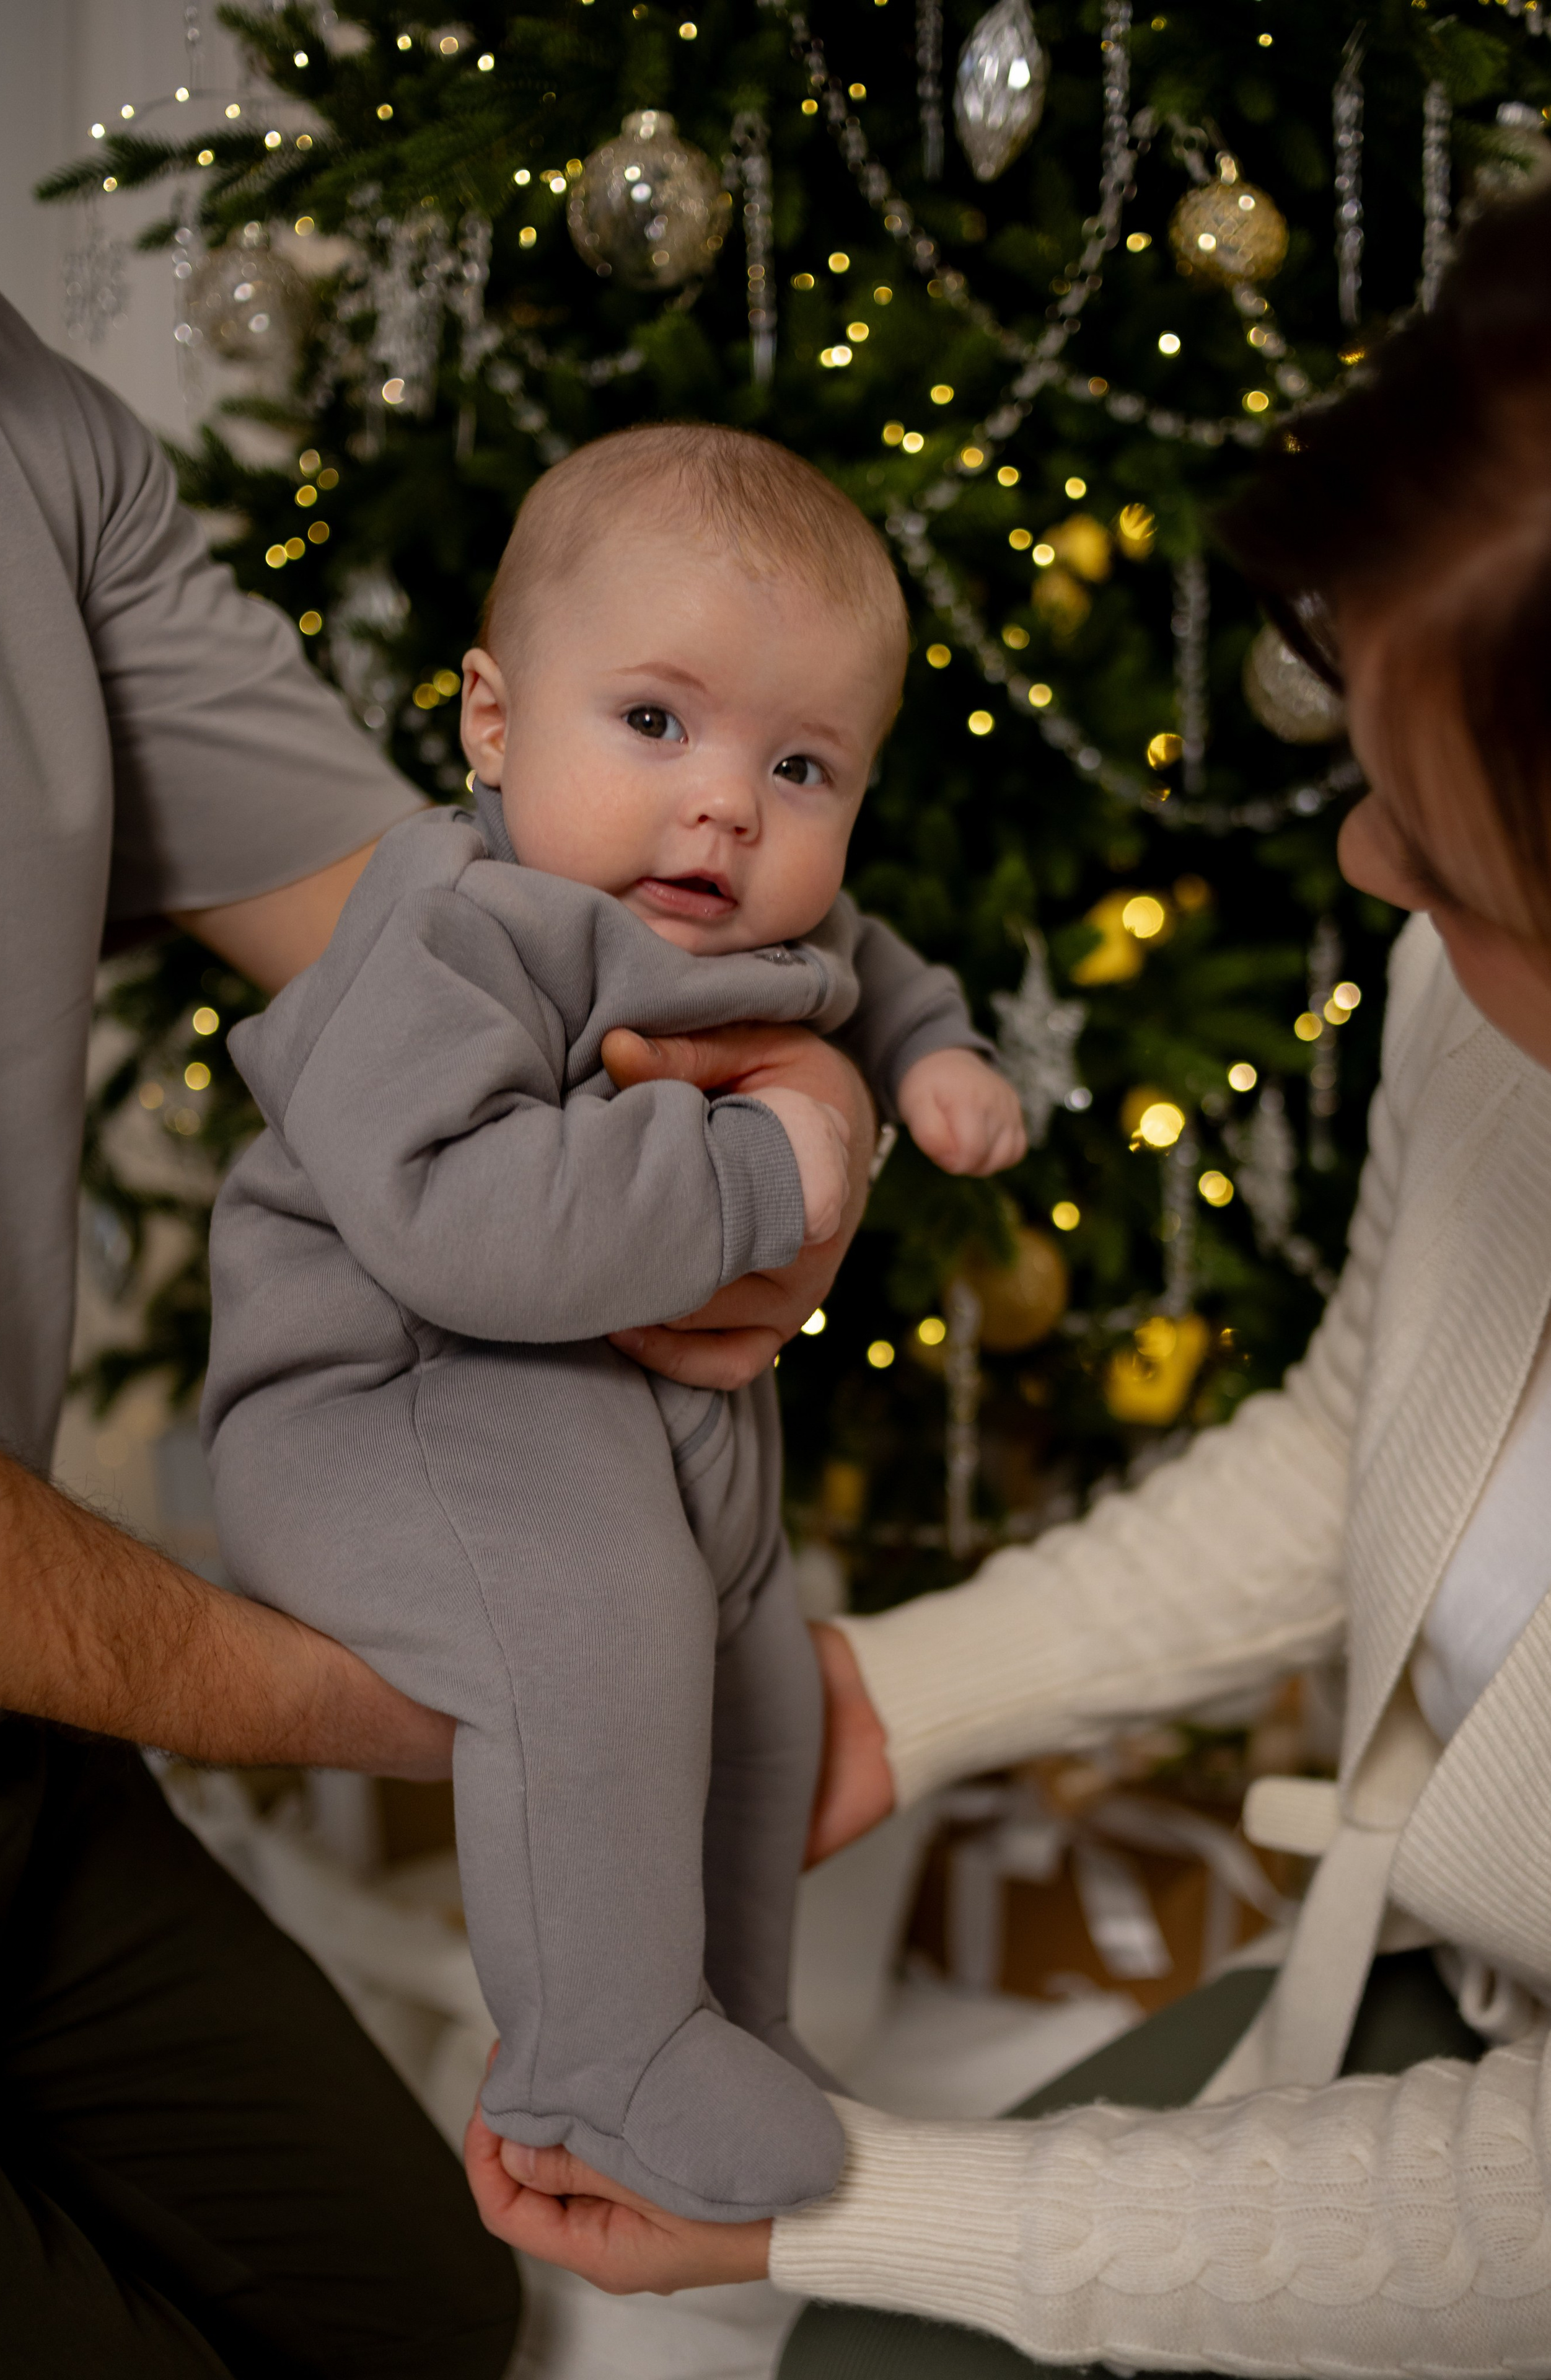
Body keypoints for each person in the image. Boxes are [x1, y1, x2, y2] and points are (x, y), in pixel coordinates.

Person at [463, 182, 1551, 2376]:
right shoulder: (1477, 1001)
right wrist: (905, 1694)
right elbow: (1371, 1430)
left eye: (1436, 846)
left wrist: (879, 2203)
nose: (1361, 864)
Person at [200, 426, 1026, 2229]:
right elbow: (451, 1223)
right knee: (600, 1635)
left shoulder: (741, 920)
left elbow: (868, 964)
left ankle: (734, 2016)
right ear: (494, 724)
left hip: (635, 1424)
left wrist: (931, 1059)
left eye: (800, 765)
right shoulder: (457, 930)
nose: (726, 803)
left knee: (761, 1682)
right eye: (655, 723)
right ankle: (599, 2049)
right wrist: (756, 1168)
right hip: (398, 1400)